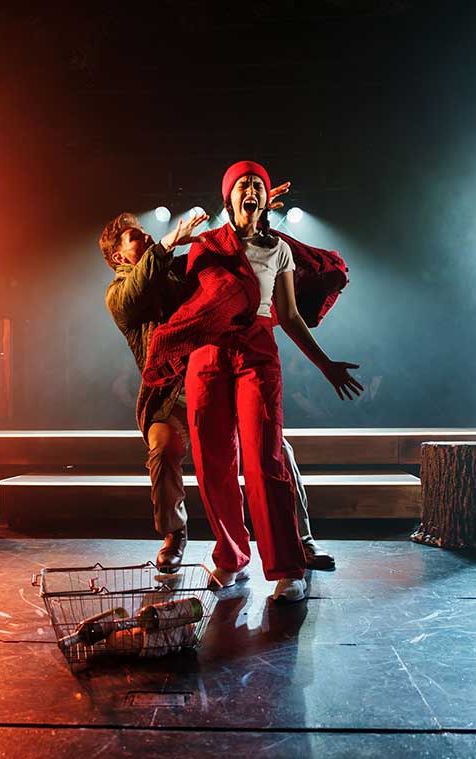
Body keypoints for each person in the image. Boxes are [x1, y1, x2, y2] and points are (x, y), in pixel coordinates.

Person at [143, 161, 361, 602]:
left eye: (257, 185)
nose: (251, 190)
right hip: (208, 354)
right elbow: (201, 302)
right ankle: (231, 556)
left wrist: (326, 365)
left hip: (257, 352)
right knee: (212, 461)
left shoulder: (279, 249)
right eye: (242, 184)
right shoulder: (207, 246)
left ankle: (286, 567)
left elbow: (292, 315)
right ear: (228, 199)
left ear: (265, 200)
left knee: (265, 461)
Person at [100, 205, 338, 577]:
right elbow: (137, 288)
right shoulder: (119, 293)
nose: (146, 237)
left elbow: (231, 251)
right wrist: (166, 243)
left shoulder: (174, 270)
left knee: (276, 450)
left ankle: (301, 538)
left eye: (146, 233)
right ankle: (175, 535)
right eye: (136, 237)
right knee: (163, 447)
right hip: (170, 399)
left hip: (217, 379)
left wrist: (251, 211)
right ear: (118, 256)